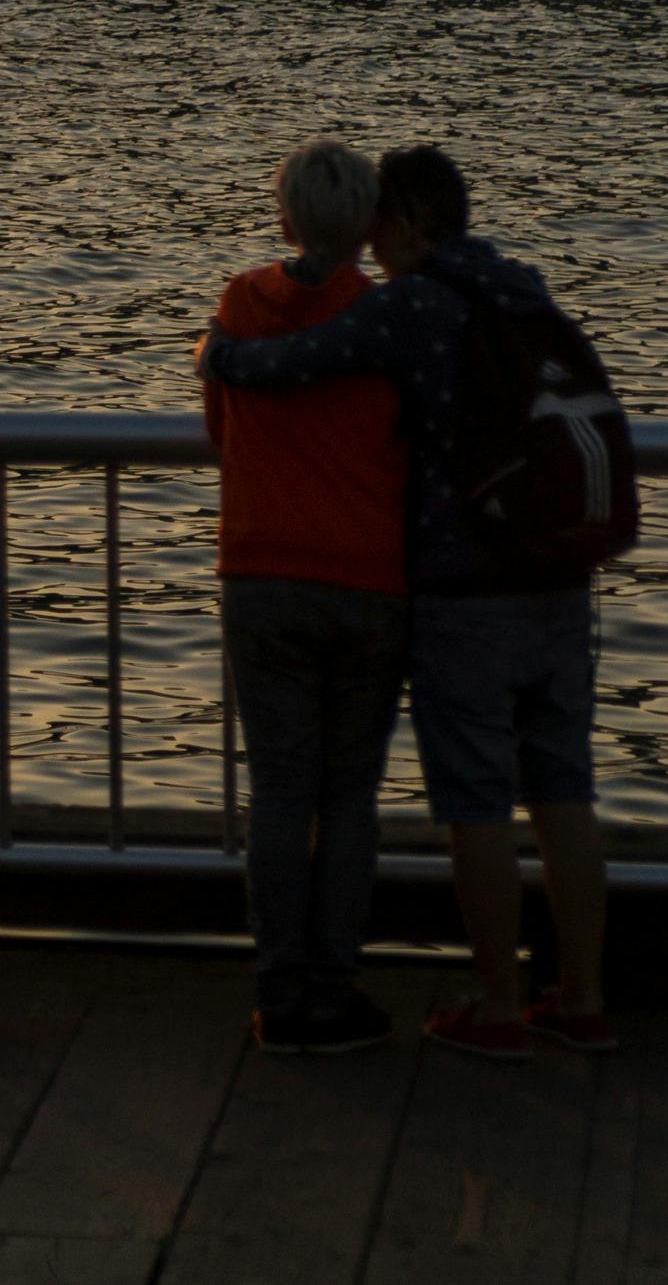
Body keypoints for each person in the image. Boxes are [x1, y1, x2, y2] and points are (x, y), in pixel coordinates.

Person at [203, 146, 614, 1061]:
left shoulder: (401, 307)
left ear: (411, 224)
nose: (376, 241)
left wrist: (217, 353)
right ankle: (582, 996)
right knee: (560, 787)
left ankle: (487, 1004)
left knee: (456, 797)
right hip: (550, 573)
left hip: (459, 582)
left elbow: (286, 364)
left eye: (387, 223)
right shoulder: (521, 289)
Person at [201, 140, 406, 1056]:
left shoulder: (241, 304)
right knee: (350, 793)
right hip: (368, 577)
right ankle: (335, 983)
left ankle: (278, 995)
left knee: (280, 791)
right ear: (368, 224)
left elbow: (220, 428)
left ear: (285, 217)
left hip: (261, 569)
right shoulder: (389, 317)